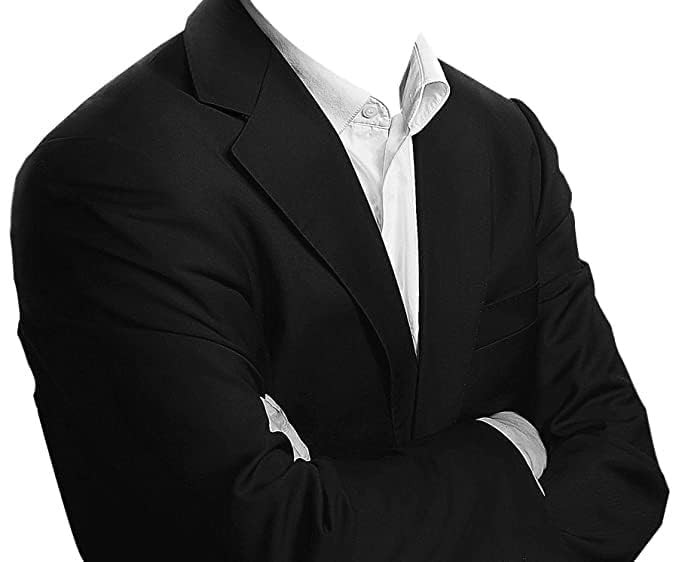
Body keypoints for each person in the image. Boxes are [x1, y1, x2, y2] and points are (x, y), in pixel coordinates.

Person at [10, 0, 668, 560]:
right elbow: (255, 535)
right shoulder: (111, 172)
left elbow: (622, 472)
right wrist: (509, 451)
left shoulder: (504, 140)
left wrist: (333, 501)